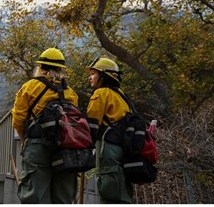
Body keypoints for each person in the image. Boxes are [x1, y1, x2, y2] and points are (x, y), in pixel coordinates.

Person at [11, 48, 80, 204]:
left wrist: (24, 141)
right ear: (61, 69)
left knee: (35, 196)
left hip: (37, 145)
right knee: (63, 196)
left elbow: (18, 120)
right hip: (65, 149)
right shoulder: (70, 93)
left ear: (40, 67)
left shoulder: (30, 87)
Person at [86, 57, 133, 203]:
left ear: (103, 76)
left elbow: (92, 124)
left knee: (109, 190)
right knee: (122, 190)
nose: (90, 78)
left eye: (93, 74)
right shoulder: (122, 95)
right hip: (125, 148)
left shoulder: (100, 93)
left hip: (108, 148)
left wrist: (84, 149)